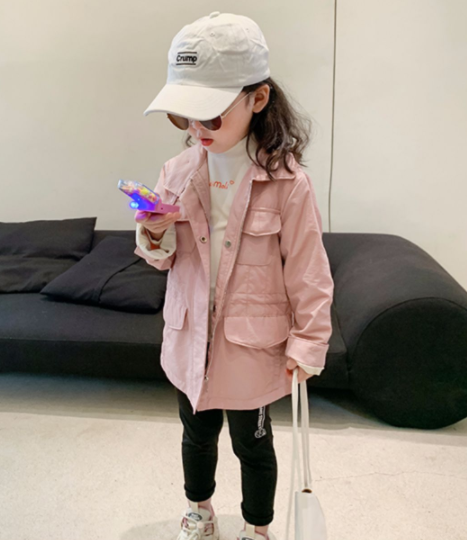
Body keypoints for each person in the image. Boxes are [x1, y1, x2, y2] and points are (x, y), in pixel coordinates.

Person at [133, 12, 334, 540]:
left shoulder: (287, 182)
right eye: (183, 117)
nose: (196, 130)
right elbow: (162, 260)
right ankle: (199, 511)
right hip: (188, 337)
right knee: (195, 435)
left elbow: (310, 271)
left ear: (258, 99)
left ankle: (257, 528)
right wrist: (154, 233)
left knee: (254, 444)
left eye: (210, 116)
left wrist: (309, 342)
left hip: (253, 344)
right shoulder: (177, 172)